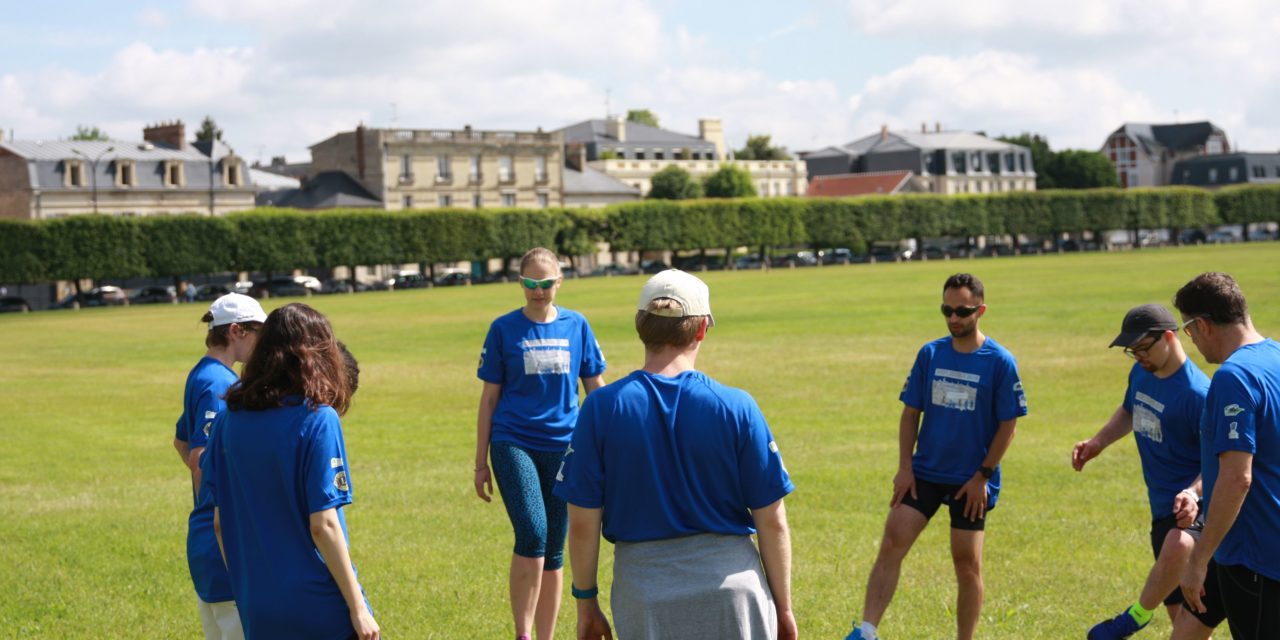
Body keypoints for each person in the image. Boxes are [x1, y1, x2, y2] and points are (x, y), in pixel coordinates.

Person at [555, 269, 796, 640]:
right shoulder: (736, 406)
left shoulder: (601, 408)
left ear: (640, 326)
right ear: (701, 329)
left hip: (645, 593)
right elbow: (772, 520)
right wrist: (783, 607)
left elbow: (584, 521)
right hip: (733, 591)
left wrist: (585, 601)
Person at [846, 273, 1027, 640]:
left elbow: (1009, 426)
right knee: (891, 544)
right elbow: (910, 413)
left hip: (971, 480)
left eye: (962, 311)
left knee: (967, 565)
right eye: (947, 310)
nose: (954, 318)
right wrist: (904, 468)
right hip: (925, 472)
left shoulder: (1000, 361)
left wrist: (983, 477)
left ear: (981, 310)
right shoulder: (930, 354)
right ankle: (866, 632)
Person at [201, 303, 379, 640]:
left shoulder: (227, 419)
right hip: (318, 605)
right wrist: (358, 608)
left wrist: (248, 593)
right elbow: (323, 525)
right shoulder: (318, 418)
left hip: (258, 606)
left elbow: (220, 523)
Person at [474, 247, 607, 640]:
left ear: (560, 282)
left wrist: (614, 438)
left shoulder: (577, 325)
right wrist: (480, 462)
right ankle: (523, 634)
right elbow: (489, 399)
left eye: (545, 283)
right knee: (532, 531)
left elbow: (595, 390)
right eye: (530, 283)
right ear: (520, 283)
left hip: (566, 447)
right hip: (513, 441)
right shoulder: (503, 329)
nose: (538, 291)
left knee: (553, 548)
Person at [1075, 304, 1221, 640]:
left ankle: (1136, 617)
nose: (1138, 356)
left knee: (1179, 545)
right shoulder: (1143, 371)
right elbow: (1130, 409)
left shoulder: (1198, 395)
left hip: (1192, 510)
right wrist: (1098, 443)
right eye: (1132, 350)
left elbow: (1219, 462)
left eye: (1143, 347)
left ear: (1169, 337)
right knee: (1184, 624)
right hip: (1161, 507)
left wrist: (1192, 493)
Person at [1175, 272, 1280, 639]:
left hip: (1254, 556)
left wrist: (1198, 560)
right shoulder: (1276, 356)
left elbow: (1238, 478)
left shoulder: (1233, 377)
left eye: (1188, 331)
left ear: (1202, 325)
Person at [175, 293, 265, 640]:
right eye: (259, 334)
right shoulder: (219, 384)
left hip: (204, 535)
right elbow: (200, 458)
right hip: (221, 540)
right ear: (237, 332)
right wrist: (220, 503)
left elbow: (181, 441)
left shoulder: (202, 373)